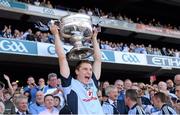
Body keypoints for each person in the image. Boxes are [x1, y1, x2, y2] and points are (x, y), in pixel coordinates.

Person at [50, 24, 104, 114]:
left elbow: (98, 60)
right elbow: (62, 58)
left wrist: (94, 38)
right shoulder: (70, 84)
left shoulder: (92, 82)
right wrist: (56, 34)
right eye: (85, 69)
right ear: (77, 71)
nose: (89, 72)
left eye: (90, 69)